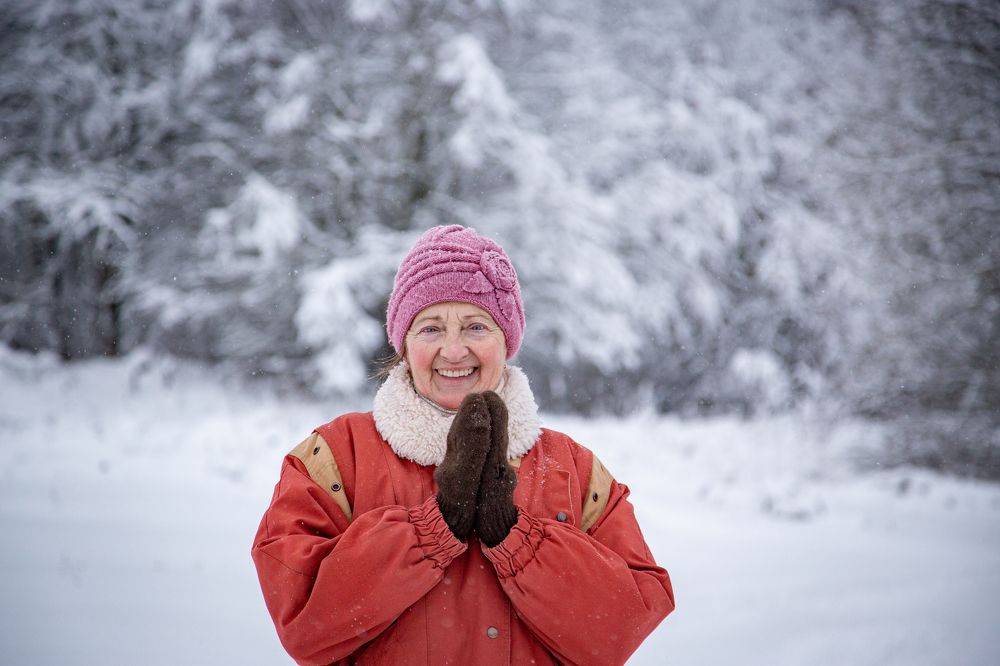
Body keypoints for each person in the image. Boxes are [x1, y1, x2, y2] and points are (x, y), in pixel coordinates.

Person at [251, 225, 674, 665]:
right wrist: (432, 527)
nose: (454, 351)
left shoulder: (574, 469)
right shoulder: (334, 457)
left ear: (506, 341)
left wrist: (514, 535)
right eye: (431, 328)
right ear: (404, 343)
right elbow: (304, 622)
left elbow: (622, 626)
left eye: (476, 326)